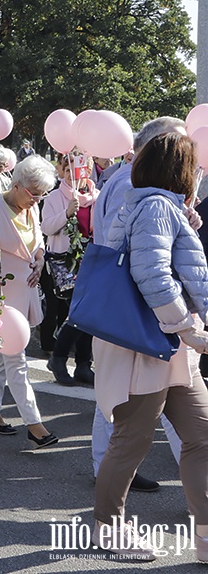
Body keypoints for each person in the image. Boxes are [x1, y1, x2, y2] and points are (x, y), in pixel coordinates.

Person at [90, 132, 208, 561]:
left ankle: (207, 537)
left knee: (200, 434)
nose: (198, 172)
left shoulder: (157, 206)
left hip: (164, 342)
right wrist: (185, 328)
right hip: (150, 342)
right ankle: (108, 529)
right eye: (193, 165)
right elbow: (153, 274)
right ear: (180, 169)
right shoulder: (157, 207)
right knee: (132, 439)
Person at [89, 117, 187, 492]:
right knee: (121, 395)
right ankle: (107, 471)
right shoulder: (135, 185)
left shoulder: (130, 181)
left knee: (118, 392)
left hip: (132, 305)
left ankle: (107, 468)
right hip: (135, 306)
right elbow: (134, 256)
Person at [0, 155, 59, 449]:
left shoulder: (31, 208)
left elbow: (38, 241)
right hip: (0, 295)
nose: (37, 200)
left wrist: (39, 258)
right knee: (16, 359)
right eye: (34, 194)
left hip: (25, 292)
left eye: (42, 194)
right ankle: (34, 424)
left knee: (2, 355)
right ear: (17, 185)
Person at [40, 152, 97, 385]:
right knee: (79, 310)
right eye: (69, 168)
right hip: (65, 261)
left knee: (90, 312)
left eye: (81, 169)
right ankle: (59, 357)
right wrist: (66, 213)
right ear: (62, 171)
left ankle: (84, 364)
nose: (75, 174)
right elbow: (46, 227)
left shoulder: (97, 196)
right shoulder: (55, 197)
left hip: (92, 260)